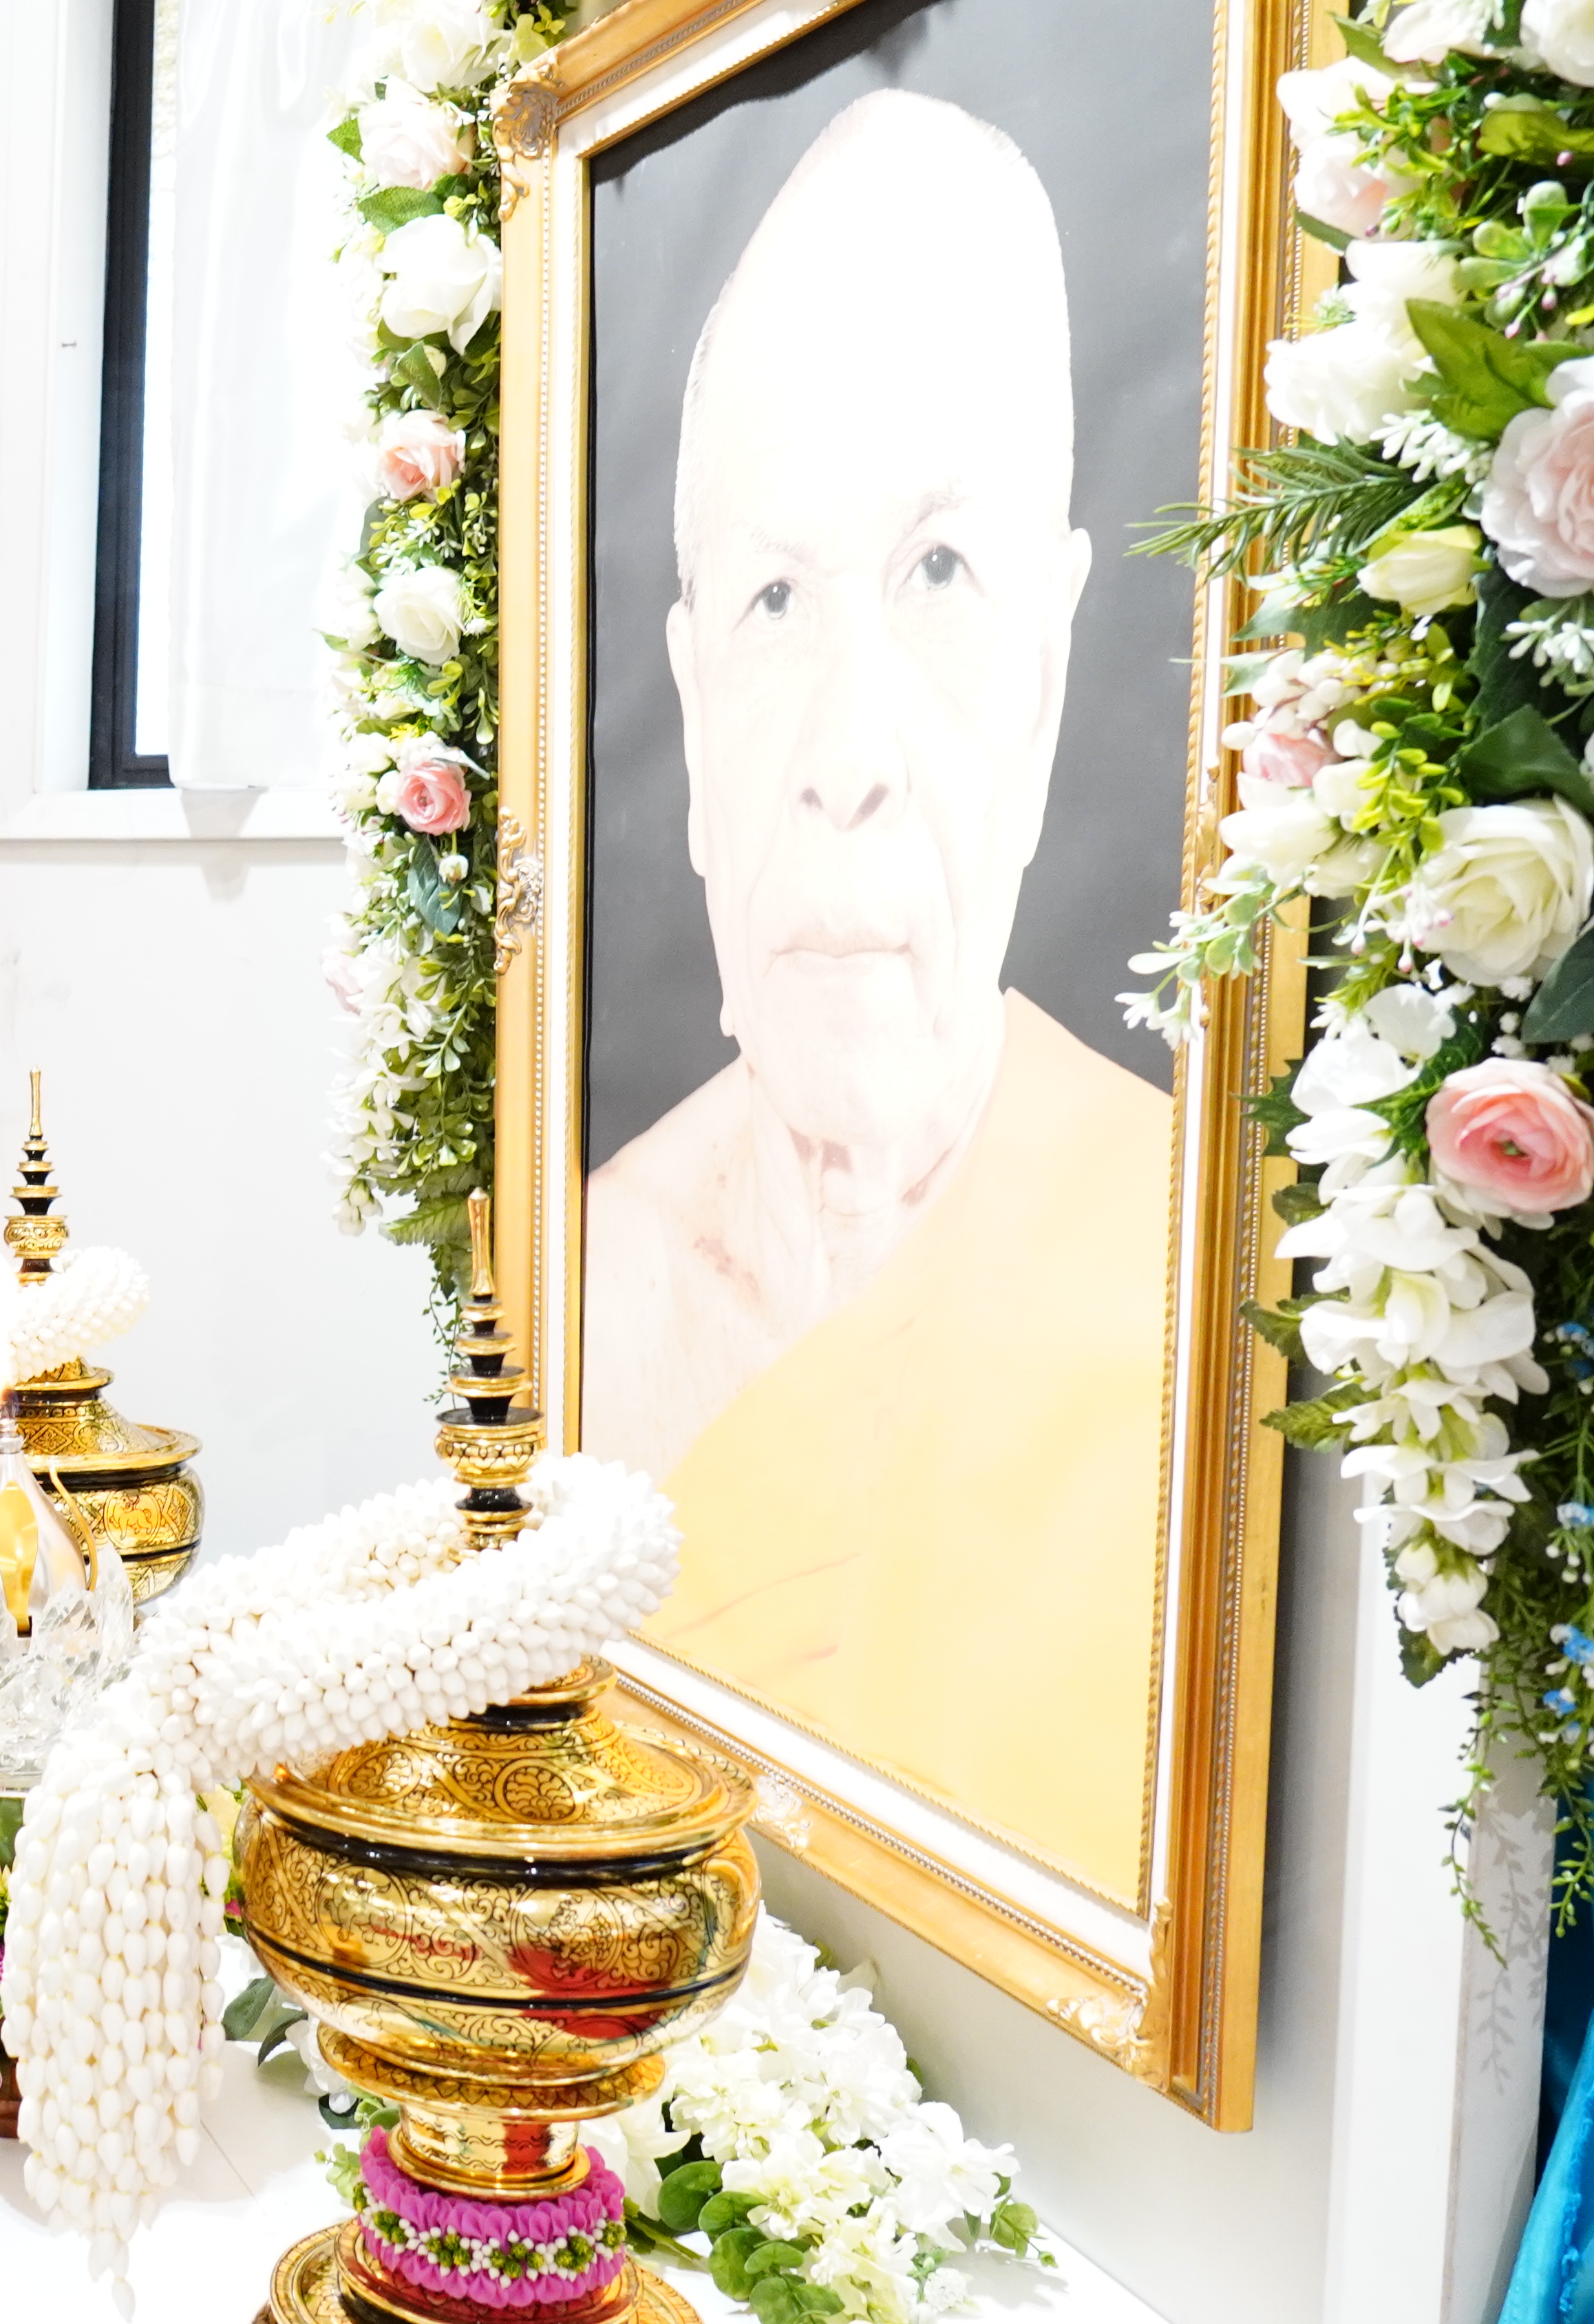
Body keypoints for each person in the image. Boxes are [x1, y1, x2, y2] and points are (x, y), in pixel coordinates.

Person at [580, 89, 1168, 1896]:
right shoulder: (585, 1272)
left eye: (938, 576)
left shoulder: (1184, 1277)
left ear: (1055, 671)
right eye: (770, 601)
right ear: (686, 695)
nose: (844, 757)